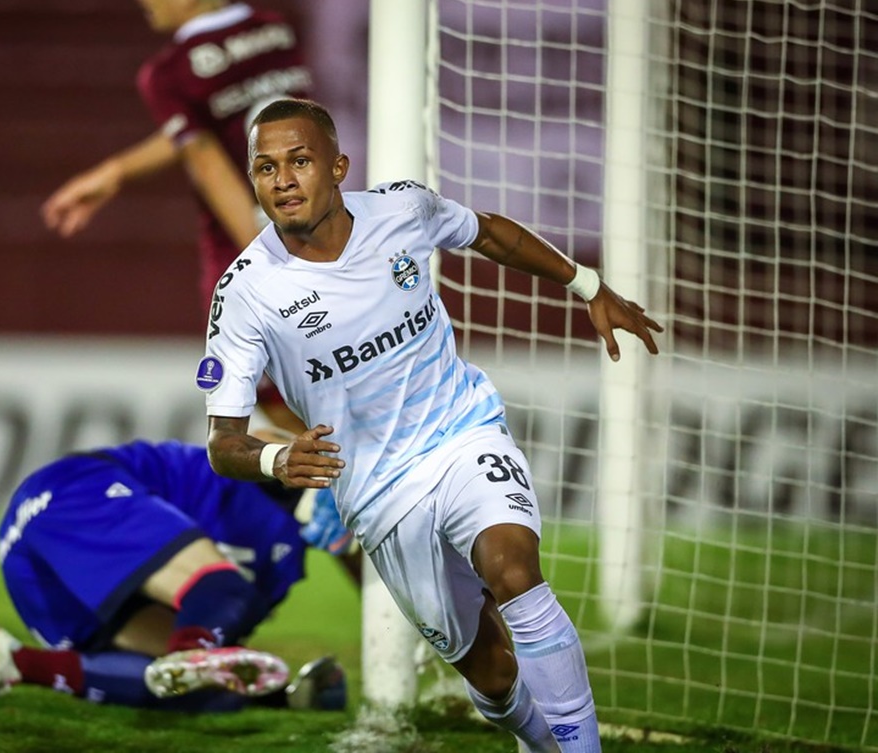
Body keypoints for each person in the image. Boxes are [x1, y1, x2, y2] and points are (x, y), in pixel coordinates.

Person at [194, 99, 664, 751]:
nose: (283, 180)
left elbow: (488, 233)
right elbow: (223, 443)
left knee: (515, 572)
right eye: (266, 167)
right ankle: (536, 737)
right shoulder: (244, 291)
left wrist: (587, 285)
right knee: (493, 673)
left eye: (300, 161)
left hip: (461, 432)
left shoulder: (402, 210)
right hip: (380, 495)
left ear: (338, 167)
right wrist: (277, 460)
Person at [41, 0, 313, 434]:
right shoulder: (273, 29)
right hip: (317, 225)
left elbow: (205, 159)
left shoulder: (168, 74)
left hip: (249, 246)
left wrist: (269, 254)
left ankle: (342, 467)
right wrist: (117, 171)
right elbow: (215, 121)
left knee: (265, 392)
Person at [0, 436, 355, 713]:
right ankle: (193, 650)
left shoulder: (285, 558)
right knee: (224, 595)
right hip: (74, 491)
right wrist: (318, 483)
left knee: (206, 690)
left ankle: (15, 662)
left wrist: (280, 696)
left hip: (47, 579)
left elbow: (225, 648)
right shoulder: (271, 486)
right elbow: (264, 437)